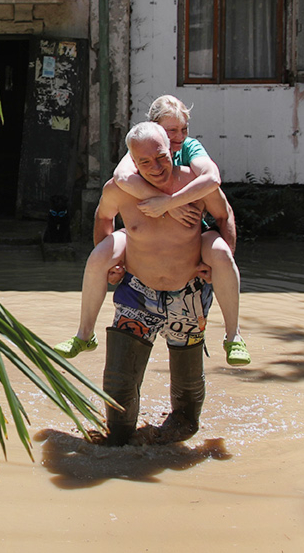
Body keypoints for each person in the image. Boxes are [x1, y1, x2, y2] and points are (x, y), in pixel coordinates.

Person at [55, 96, 249, 366]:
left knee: (221, 253)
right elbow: (119, 185)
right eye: (172, 131)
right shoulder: (137, 153)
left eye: (184, 129)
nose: (179, 137)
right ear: (154, 131)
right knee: (99, 257)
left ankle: (233, 335)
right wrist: (114, 264)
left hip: (194, 237)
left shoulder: (191, 154)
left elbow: (218, 194)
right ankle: (84, 333)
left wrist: (170, 203)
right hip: (142, 252)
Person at [90, 121, 237, 446]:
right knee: (118, 384)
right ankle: (119, 444)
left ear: (172, 150)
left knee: (187, 395)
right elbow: (103, 217)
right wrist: (111, 263)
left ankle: (174, 440)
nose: (155, 168)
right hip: (137, 291)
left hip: (188, 293)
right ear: (134, 161)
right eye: (145, 162)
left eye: (161, 158)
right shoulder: (121, 187)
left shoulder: (196, 184)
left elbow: (224, 214)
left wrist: (216, 262)